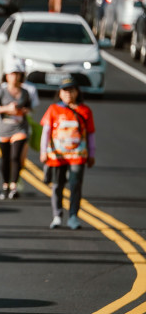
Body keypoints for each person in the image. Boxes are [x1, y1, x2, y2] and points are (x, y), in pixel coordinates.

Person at [40, 77, 96, 230]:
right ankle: (57, 215)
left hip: (78, 154)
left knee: (75, 184)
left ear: (77, 92)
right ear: (60, 93)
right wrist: (43, 151)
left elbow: (90, 133)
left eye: (71, 90)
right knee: (57, 185)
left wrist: (91, 153)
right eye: (65, 91)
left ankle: (73, 216)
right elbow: (46, 131)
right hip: (58, 155)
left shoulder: (85, 110)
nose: (68, 94)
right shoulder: (53, 109)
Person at [0, 58, 33, 200]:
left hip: (19, 128)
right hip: (4, 128)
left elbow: (29, 108)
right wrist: (7, 108)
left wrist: (23, 111)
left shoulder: (25, 92)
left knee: (15, 157)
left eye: (17, 74)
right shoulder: (1, 91)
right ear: (6, 76)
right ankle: (5, 185)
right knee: (6, 158)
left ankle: (14, 186)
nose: (15, 77)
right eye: (12, 74)